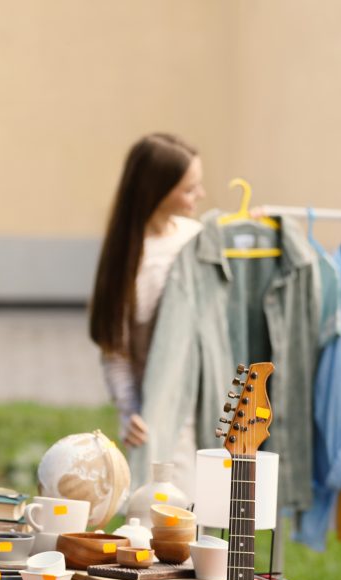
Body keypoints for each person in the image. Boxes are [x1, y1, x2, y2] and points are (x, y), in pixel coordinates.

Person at [88, 133, 205, 482]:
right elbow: (115, 352)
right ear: (156, 193)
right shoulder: (130, 263)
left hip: (209, 404)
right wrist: (130, 413)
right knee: (164, 512)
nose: (200, 195)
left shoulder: (196, 237)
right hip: (164, 417)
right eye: (189, 189)